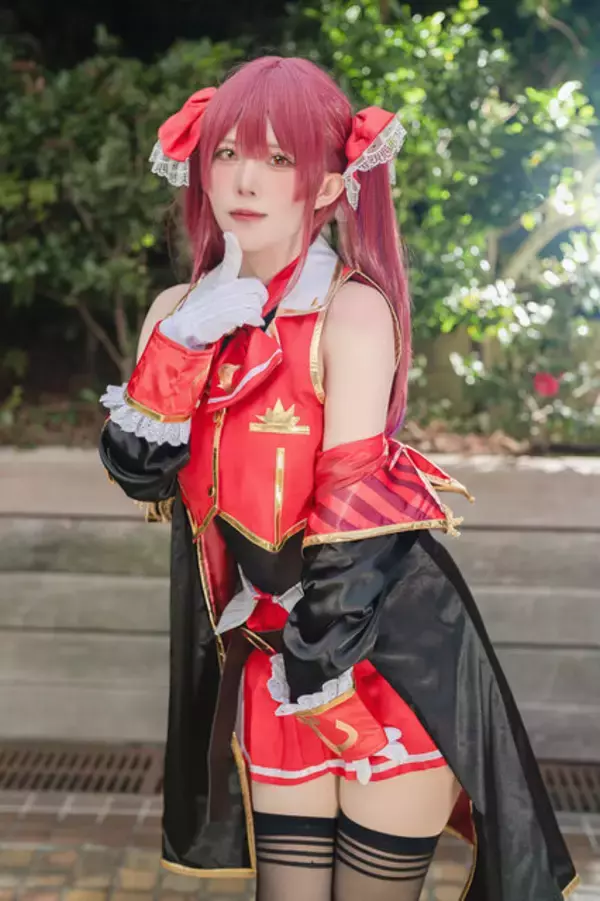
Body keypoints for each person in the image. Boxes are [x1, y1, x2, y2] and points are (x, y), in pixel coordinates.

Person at [99, 56, 577, 900]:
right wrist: (181, 346)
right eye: (227, 152)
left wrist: (315, 675)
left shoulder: (352, 312)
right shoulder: (178, 314)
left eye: (279, 158)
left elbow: (353, 526)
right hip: (272, 658)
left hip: (383, 657)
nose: (245, 179)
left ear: (326, 185)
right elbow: (140, 471)